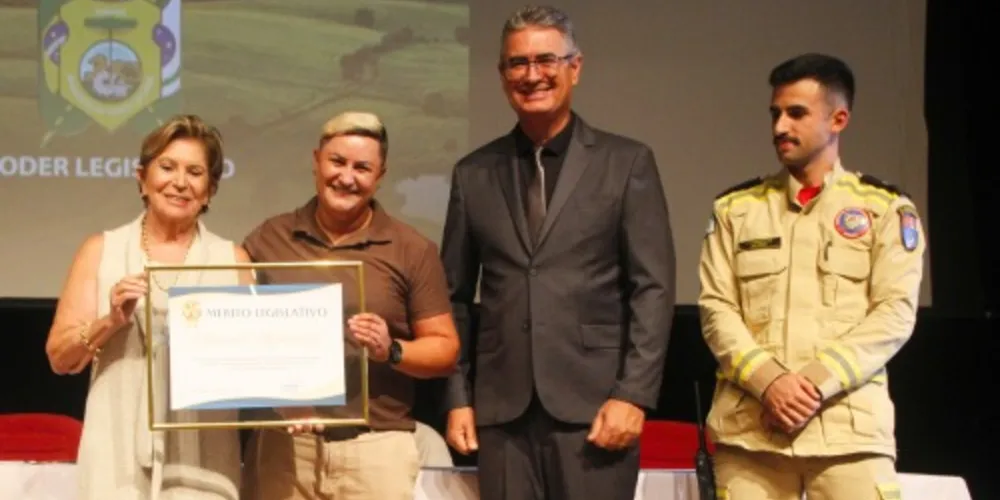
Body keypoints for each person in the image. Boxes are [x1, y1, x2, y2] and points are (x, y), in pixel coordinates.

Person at [441, 5, 676, 500]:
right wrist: (458, 398)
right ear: (502, 75)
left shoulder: (626, 162)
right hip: (502, 416)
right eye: (517, 64)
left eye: (545, 60)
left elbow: (652, 289)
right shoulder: (473, 173)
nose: (532, 75)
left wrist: (632, 395)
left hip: (596, 409)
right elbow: (454, 298)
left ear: (576, 66)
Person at [698, 53, 926, 500]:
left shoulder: (885, 210)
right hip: (752, 435)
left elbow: (894, 314)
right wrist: (770, 382)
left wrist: (813, 385)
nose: (780, 126)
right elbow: (715, 309)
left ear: (838, 118)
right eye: (775, 114)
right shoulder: (736, 210)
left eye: (796, 113)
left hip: (849, 436)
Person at [239, 111, 460, 500]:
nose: (347, 177)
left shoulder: (412, 248)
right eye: (337, 162)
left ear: (380, 175)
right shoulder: (269, 237)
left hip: (376, 447)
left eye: (362, 167)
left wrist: (389, 349)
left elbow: (444, 349)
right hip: (285, 445)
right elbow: (233, 326)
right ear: (316, 160)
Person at [45, 115, 246, 499]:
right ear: (142, 178)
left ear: (210, 190)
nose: (180, 182)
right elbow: (60, 357)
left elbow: (256, 367)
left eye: (195, 172)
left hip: (204, 458)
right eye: (167, 167)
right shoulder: (100, 250)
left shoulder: (233, 259)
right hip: (114, 453)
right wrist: (111, 321)